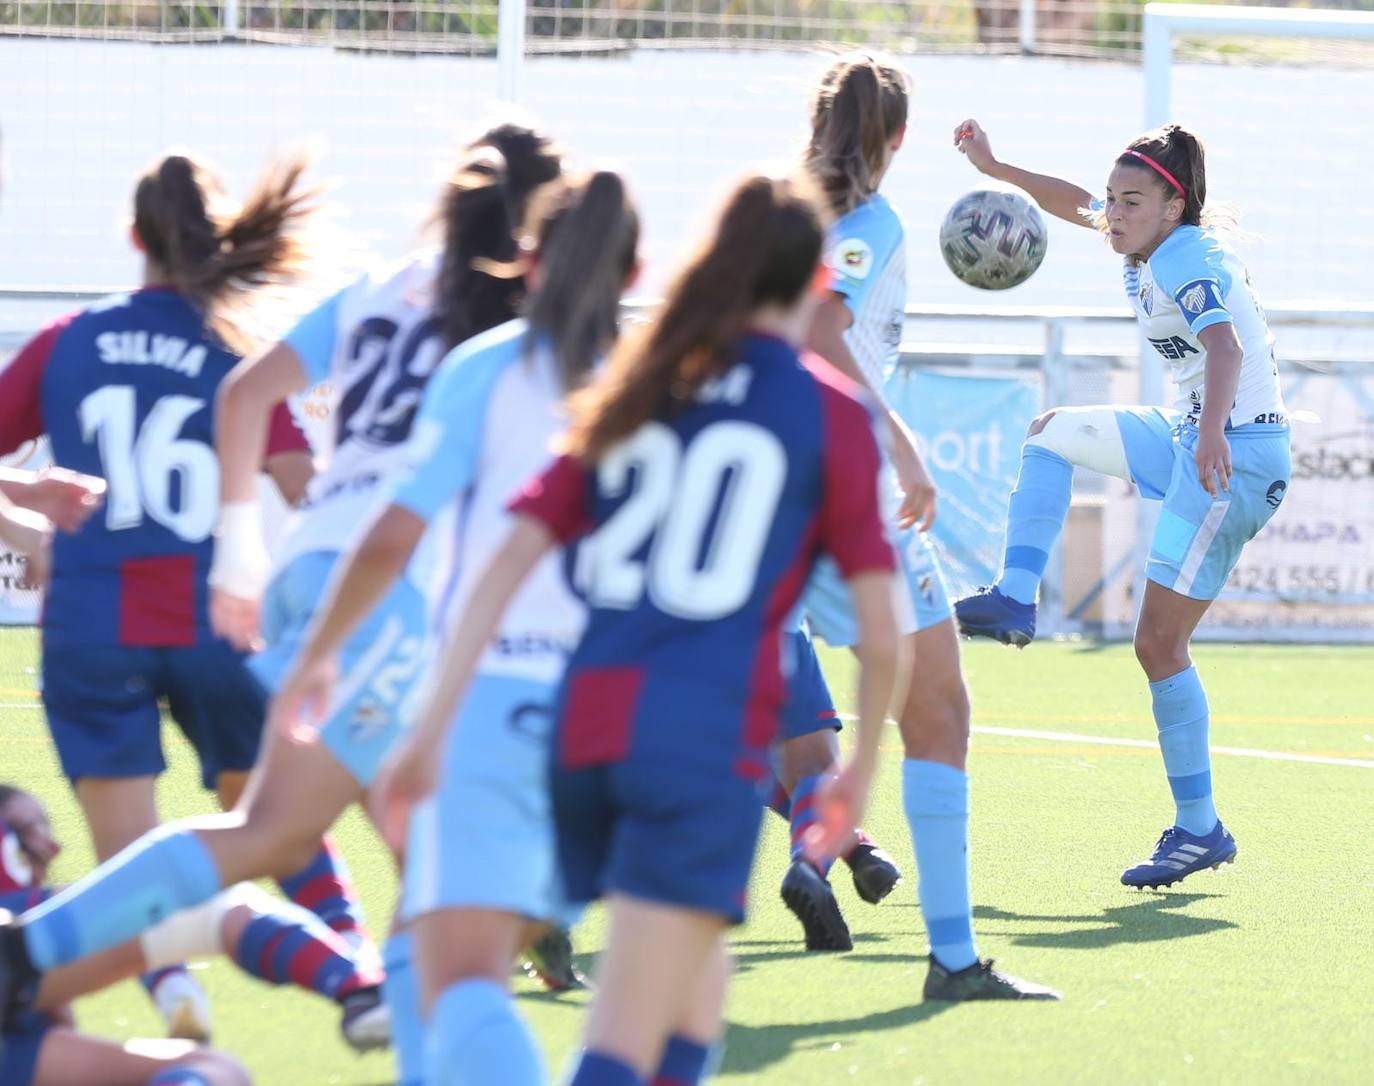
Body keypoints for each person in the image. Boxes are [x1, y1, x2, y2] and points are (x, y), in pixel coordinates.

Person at [0, 121, 566, 1086]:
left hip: (300, 575)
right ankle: (32, 953)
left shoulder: (382, 286)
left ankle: (72, 958)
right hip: (386, 589)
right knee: (309, 841)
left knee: (405, 849)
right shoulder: (517, 325)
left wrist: (240, 553)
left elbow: (253, 405)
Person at [375, 170, 903, 1086]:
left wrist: (433, 721)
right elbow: (884, 626)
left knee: (694, 993)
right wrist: (859, 770)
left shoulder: (645, 384)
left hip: (580, 729)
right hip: (698, 749)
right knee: (623, 1035)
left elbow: (505, 559)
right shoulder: (828, 411)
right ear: (818, 283)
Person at [267, 167, 640, 1086]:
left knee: (464, 979)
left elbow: (395, 532)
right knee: (637, 990)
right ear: (634, 276)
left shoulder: (488, 367)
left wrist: (317, 657)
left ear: (526, 261)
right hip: (629, 720)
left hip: (498, 700)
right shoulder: (668, 386)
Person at [0, 150, 370, 1040]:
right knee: (274, 821)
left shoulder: (67, 341)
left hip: (91, 622)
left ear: (133, 238)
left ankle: (172, 989)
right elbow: (303, 489)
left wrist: (23, 528)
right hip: (213, 622)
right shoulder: (234, 352)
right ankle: (360, 965)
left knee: (132, 849)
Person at [782, 51, 1057, 1000]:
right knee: (939, 711)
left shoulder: (771, 220)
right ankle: (952, 959)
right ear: (896, 138)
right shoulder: (873, 222)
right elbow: (822, 330)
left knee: (725, 718)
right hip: (841, 489)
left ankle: (551, 916)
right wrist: (900, 442)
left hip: (762, 493)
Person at [951, 119, 1291, 888]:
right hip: (1192, 436)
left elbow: (1226, 348)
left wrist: (1210, 438)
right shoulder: (1143, 240)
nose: (1114, 212)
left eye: (1131, 201)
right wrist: (999, 166)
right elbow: (1074, 202)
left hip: (1232, 457)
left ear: (1173, 207)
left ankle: (1200, 830)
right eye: (1114, 198)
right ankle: (1014, 598)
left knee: (1156, 647)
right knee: (1051, 433)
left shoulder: (1188, 255)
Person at [0, 783, 385, 1086]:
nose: (53, 847)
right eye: (30, 830)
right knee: (211, 914)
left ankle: (175, 989)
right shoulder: (27, 912)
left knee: (207, 1067)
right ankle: (358, 987)